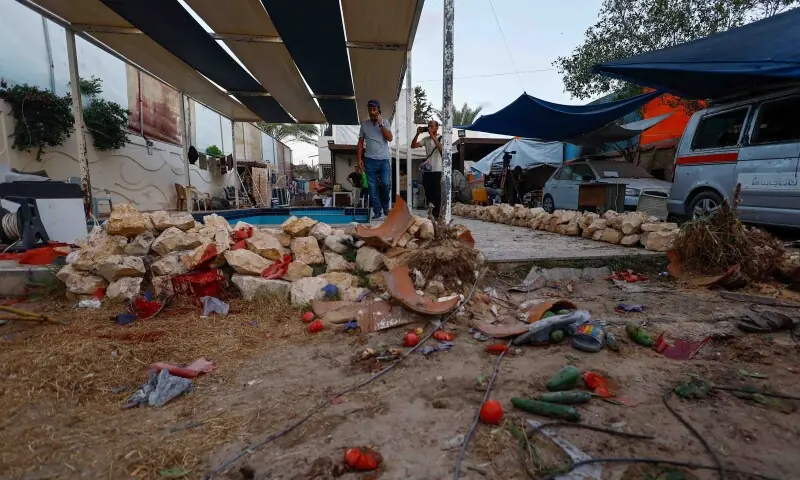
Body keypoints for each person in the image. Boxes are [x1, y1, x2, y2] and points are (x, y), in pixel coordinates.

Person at [357, 99, 393, 219]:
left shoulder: (386, 122)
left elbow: (390, 138)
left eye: (374, 109)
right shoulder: (364, 125)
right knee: (372, 188)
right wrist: (359, 160)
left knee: (386, 184)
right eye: (370, 109)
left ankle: (386, 207)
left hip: (384, 160)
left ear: (378, 110)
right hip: (369, 160)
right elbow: (360, 143)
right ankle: (377, 211)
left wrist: (380, 124)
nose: (372, 112)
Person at [411, 120, 443, 218]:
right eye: (428, 126)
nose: (430, 128)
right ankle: (431, 213)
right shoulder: (425, 139)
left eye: (432, 126)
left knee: (436, 193)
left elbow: (441, 149)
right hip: (428, 170)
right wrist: (417, 134)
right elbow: (413, 146)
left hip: (437, 170)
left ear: (437, 128)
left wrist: (432, 136)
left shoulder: (441, 138)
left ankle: (437, 214)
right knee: (428, 192)